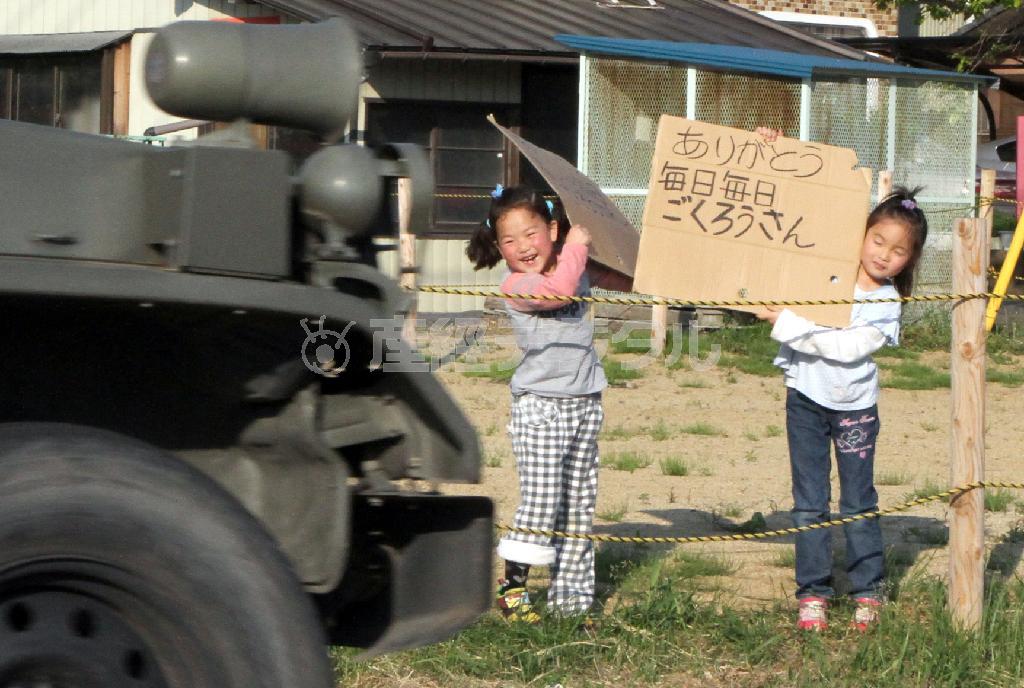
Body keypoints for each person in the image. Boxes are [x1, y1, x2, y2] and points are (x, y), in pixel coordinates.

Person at [755, 176, 928, 632]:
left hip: (854, 408)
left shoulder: (887, 303)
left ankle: (867, 589)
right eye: (877, 240)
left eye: (897, 251)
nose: (883, 255)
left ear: (909, 260)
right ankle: (813, 592)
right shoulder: (821, 270)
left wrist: (785, 323)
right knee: (809, 503)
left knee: (857, 501)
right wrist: (768, 148)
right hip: (804, 402)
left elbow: (848, 349)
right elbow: (799, 204)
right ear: (861, 234)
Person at [466, 184, 631, 622]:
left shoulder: (575, 267)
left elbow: (623, 279)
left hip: (584, 402)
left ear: (552, 229)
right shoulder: (517, 284)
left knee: (578, 507)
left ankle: (571, 604)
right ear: (499, 248)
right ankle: (512, 592)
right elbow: (556, 291)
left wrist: (633, 262)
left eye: (531, 233)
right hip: (541, 408)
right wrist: (576, 248)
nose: (522, 247)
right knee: (540, 502)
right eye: (509, 240)